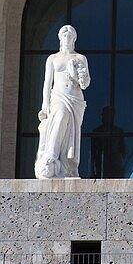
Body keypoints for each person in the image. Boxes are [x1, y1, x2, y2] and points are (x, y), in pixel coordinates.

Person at [34, 24, 91, 179]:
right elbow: (47, 83)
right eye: (64, 35)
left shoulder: (80, 58)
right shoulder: (53, 58)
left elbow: (85, 84)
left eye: (70, 35)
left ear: (74, 39)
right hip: (58, 97)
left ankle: (65, 166)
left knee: (69, 131)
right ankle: (50, 157)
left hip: (75, 99)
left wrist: (75, 73)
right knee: (60, 117)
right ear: (60, 38)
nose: (67, 38)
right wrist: (45, 105)